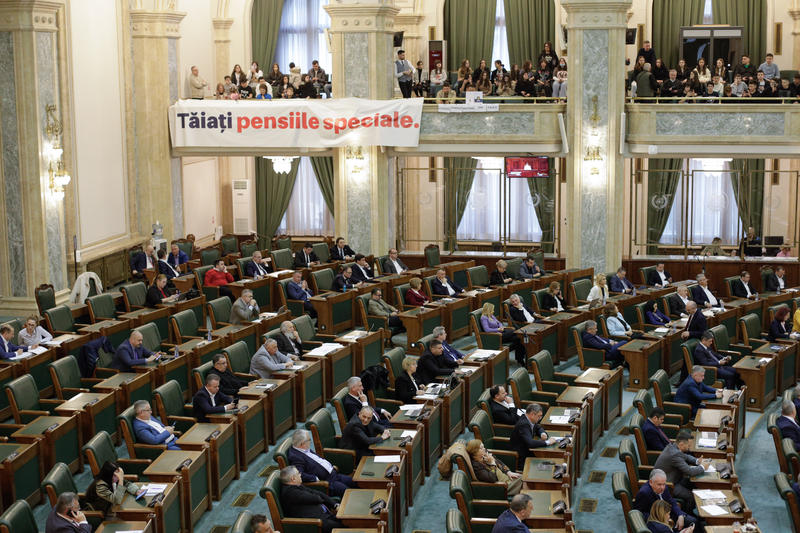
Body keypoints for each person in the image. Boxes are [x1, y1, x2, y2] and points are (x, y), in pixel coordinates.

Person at [288, 429, 358, 497]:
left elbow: (317, 460)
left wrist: (330, 467)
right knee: (348, 492)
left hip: (334, 475)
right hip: (328, 483)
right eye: (309, 440)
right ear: (302, 444)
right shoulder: (296, 457)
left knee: (355, 481)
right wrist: (315, 478)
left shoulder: (303, 448)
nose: (310, 442)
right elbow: (300, 474)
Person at [279, 466, 343, 533]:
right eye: (298, 473)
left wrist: (335, 505)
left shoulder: (297, 486)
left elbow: (317, 493)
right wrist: (319, 498)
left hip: (324, 515)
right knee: (345, 526)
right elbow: (316, 498)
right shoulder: (290, 493)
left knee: (346, 520)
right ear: (293, 479)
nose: (300, 474)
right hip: (315, 523)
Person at [653, 429, 708, 505]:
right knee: (691, 497)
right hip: (668, 485)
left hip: (675, 478)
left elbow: (685, 456)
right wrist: (703, 467)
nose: (689, 448)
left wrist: (697, 461)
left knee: (694, 484)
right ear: (681, 444)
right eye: (688, 446)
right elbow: (690, 472)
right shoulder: (675, 454)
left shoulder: (673, 446)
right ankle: (687, 514)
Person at [633, 469, 697, 530]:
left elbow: (671, 501)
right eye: (659, 484)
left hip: (669, 514)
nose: (662, 487)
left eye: (664, 484)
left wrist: (680, 514)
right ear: (650, 482)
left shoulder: (664, 487)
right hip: (657, 522)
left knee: (693, 522)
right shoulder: (644, 493)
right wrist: (660, 518)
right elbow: (638, 514)